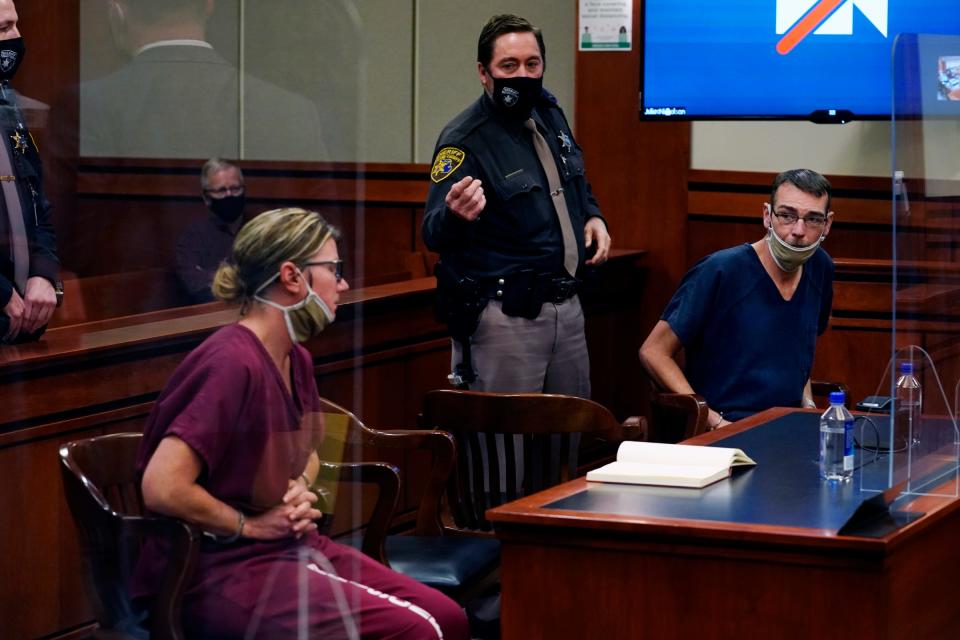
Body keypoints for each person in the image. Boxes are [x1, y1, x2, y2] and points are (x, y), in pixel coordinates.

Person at [134, 208, 469, 639]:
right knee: (417, 632)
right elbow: (162, 486)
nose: (343, 283)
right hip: (215, 570)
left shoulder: (298, 358)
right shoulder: (230, 362)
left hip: (284, 549)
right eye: (334, 269)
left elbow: (310, 452)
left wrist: (299, 489)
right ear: (292, 277)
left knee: (449, 618)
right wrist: (249, 525)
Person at [422, 14, 611, 396]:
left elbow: (574, 177)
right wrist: (456, 215)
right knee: (507, 450)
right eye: (509, 66)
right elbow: (432, 231)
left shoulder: (550, 114)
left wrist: (592, 215)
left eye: (532, 64)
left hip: (568, 307)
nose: (523, 75)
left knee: (569, 443)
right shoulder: (464, 139)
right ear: (484, 72)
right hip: (506, 318)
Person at [639, 168, 835, 427]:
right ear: (767, 215)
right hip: (726, 425)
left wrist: (807, 406)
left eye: (812, 219)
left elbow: (797, 353)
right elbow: (653, 351)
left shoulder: (820, 267)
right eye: (787, 216)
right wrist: (712, 420)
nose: (798, 230)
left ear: (827, 224)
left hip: (788, 427)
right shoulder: (721, 269)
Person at [81, 0, 330, 160]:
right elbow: (318, 236)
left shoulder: (85, 109)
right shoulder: (292, 113)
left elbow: (57, 230)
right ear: (210, 5)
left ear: (117, 12)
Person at [0, 0, 60, 343]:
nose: (17, 37)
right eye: (3, 29)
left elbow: (38, 204)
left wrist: (44, 273)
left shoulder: (12, 110)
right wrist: (2, 293)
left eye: (15, 24)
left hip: (23, 326)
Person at [175, 158, 247, 303]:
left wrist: (217, 279)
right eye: (221, 191)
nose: (229, 195)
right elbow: (195, 285)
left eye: (235, 189)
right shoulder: (193, 237)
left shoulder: (259, 230)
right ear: (206, 198)